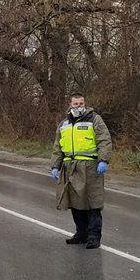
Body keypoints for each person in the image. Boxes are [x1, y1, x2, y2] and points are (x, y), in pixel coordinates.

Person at [50, 92, 112, 249]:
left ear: (85, 103)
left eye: (81, 103)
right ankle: (81, 233)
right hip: (70, 167)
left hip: (90, 167)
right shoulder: (64, 124)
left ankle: (94, 236)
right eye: (76, 104)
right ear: (70, 105)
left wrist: (103, 160)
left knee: (92, 202)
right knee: (74, 201)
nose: (79, 106)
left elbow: (105, 140)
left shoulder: (94, 119)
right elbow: (58, 147)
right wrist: (55, 165)